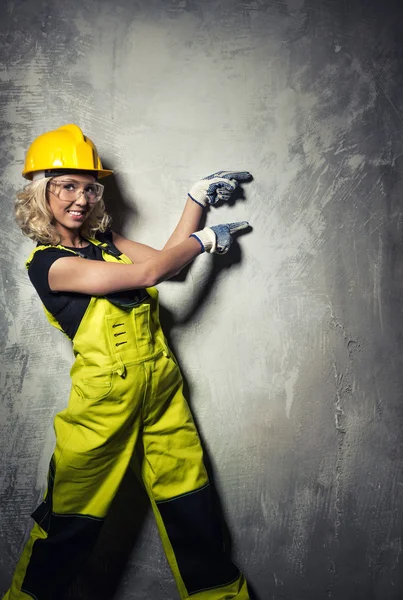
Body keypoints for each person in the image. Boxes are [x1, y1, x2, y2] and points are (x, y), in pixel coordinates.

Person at [4, 123, 252, 600]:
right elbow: (152, 271)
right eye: (67, 187)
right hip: (102, 407)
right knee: (70, 527)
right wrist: (205, 239)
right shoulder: (49, 264)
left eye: (89, 187)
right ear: (40, 194)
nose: (81, 198)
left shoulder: (104, 242)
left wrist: (195, 199)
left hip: (161, 393)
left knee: (194, 514)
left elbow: (167, 264)